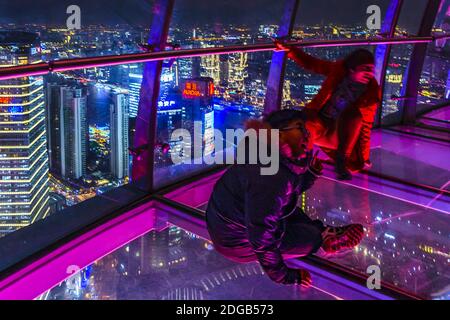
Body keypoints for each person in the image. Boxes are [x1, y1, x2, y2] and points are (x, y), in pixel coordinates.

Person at [206, 110, 365, 287]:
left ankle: (322, 231)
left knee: (288, 209)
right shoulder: (269, 175)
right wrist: (286, 276)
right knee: (308, 238)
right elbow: (261, 239)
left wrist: (309, 175)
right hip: (236, 243)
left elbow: (285, 193)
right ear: (280, 136)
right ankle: (321, 236)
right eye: (299, 129)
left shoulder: (270, 158)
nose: (307, 135)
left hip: (228, 220)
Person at [276, 41, 382, 180]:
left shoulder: (371, 94)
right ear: (352, 69)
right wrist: (291, 51)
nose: (369, 73)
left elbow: (366, 126)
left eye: (371, 69)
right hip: (319, 122)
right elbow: (313, 64)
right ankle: (291, 165)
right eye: (365, 68)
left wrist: (364, 156)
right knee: (306, 128)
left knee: (353, 115)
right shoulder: (338, 71)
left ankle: (341, 159)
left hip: (339, 133)